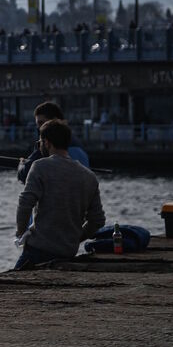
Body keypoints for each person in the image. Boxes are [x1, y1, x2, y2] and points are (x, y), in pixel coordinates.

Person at [15, 119, 106, 269]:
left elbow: (25, 202)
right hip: (68, 252)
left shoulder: (40, 166)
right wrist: (75, 238)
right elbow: (97, 220)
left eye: (40, 142)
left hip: (38, 250)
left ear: (47, 142)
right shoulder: (89, 176)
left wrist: (21, 233)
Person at [17, 101, 89, 183]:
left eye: (41, 123)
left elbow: (26, 174)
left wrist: (22, 164)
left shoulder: (47, 145)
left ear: (54, 121)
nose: (39, 128)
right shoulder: (79, 147)